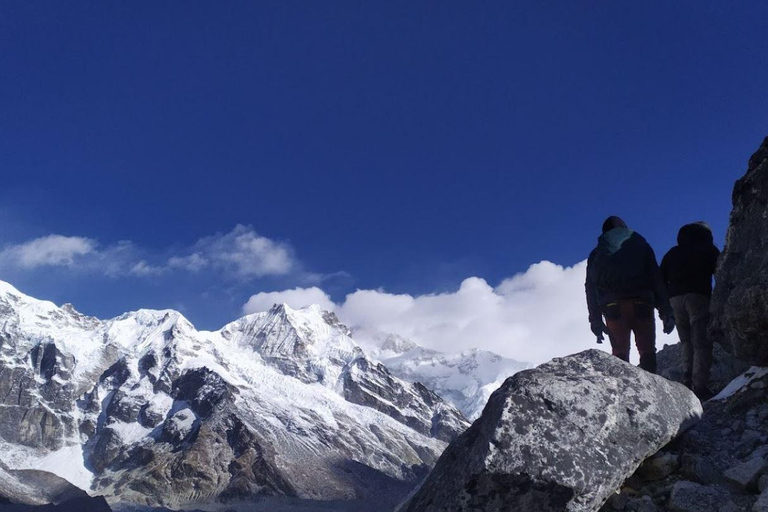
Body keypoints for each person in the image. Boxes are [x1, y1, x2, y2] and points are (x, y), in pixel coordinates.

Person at [585, 216, 675, 373]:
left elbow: (591, 288)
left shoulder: (597, 253)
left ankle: (622, 393)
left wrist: (596, 320)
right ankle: (653, 393)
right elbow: (656, 279)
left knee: (619, 354)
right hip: (642, 303)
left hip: (612, 307)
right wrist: (666, 311)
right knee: (647, 351)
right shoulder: (642, 246)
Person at [660, 222, 720, 400]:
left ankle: (687, 378)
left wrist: (664, 307)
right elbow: (721, 272)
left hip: (675, 300)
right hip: (698, 296)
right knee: (701, 341)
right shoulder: (708, 249)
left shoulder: (672, 253)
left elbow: (660, 277)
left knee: (686, 340)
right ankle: (700, 386)